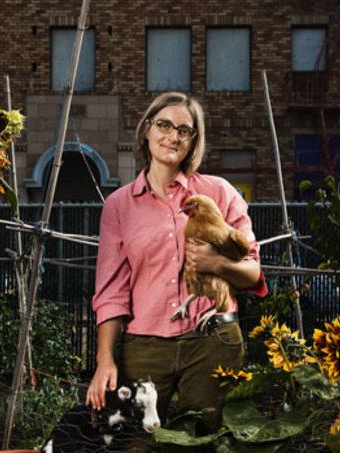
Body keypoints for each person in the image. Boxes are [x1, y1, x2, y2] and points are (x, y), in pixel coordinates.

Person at [86, 92, 267, 438]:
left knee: (207, 439)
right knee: (135, 442)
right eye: (164, 125)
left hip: (213, 339)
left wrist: (217, 263)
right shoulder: (119, 206)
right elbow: (111, 293)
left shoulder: (220, 192)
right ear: (146, 131)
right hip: (146, 348)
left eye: (185, 130)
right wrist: (104, 359)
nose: (174, 136)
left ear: (193, 141)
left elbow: (254, 272)